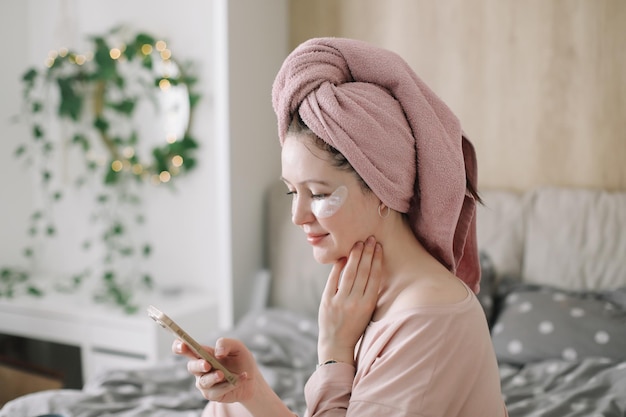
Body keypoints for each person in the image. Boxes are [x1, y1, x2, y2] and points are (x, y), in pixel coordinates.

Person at [174, 37, 508, 417]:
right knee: (229, 411)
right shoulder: (364, 297)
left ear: (385, 188)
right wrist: (250, 392)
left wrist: (333, 354)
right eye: (290, 193)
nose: (298, 216)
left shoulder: (428, 317)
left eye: (318, 193)